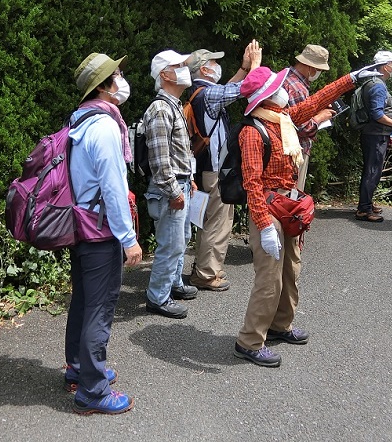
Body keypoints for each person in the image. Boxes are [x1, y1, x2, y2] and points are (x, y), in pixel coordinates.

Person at [234, 64, 380, 367]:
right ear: (266, 95)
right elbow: (252, 184)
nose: (283, 90)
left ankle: (280, 325)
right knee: (269, 278)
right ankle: (249, 341)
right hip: (268, 209)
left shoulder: (282, 119)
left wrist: (351, 79)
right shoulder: (252, 131)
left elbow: (315, 102)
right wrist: (264, 226)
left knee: (291, 270)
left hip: (288, 205)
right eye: (277, 87)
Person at [65, 52, 143, 415]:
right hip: (100, 230)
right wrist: (129, 239)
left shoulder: (78, 120)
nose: (122, 80)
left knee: (83, 301)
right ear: (104, 86)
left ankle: (77, 368)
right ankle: (93, 391)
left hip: (79, 224)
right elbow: (113, 188)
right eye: (118, 75)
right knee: (99, 307)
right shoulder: (105, 126)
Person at [186, 41, 261, 292]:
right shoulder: (208, 95)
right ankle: (207, 274)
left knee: (209, 220)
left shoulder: (200, 93)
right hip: (215, 169)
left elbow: (228, 89)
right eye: (214, 62)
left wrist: (244, 68)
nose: (218, 65)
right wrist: (256, 65)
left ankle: (204, 267)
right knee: (217, 221)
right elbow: (246, 88)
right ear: (204, 69)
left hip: (205, 168)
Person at [143, 50, 198, 318]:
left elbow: (179, 152)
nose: (184, 69)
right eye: (178, 66)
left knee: (181, 240)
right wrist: (175, 191)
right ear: (164, 74)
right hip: (169, 189)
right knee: (170, 244)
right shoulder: (160, 109)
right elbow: (159, 160)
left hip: (180, 185)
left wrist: (190, 179)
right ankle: (158, 297)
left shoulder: (173, 105)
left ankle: (173, 284)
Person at [355, 51, 392, 223]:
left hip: (374, 133)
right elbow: (377, 114)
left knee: (371, 170)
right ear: (385, 66)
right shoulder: (378, 86)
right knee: (373, 171)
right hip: (375, 135)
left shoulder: (371, 82)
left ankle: (366, 203)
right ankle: (364, 209)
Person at [283, 44, 337, 192]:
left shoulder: (285, 76)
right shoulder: (297, 88)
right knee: (290, 196)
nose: (319, 73)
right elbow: (302, 127)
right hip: (295, 150)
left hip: (283, 147)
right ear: (310, 67)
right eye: (319, 69)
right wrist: (321, 117)